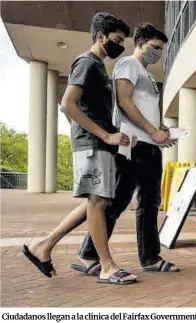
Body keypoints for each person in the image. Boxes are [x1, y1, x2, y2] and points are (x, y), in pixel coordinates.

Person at [22, 12, 138, 285]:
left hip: (98, 143)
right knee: (97, 203)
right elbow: (67, 104)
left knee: (96, 203)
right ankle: (107, 266)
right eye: (117, 40)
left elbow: (88, 109)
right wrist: (103, 136)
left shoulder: (97, 66)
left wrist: (115, 134)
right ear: (101, 36)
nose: (119, 46)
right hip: (93, 145)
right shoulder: (87, 63)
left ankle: (43, 247)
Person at [75, 23, 180, 274]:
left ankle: (149, 257)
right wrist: (152, 132)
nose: (157, 53)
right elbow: (123, 101)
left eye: (161, 50)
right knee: (120, 200)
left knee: (150, 202)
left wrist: (161, 129)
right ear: (140, 43)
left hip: (149, 145)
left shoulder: (147, 75)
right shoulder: (128, 64)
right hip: (134, 145)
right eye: (154, 47)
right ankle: (89, 253)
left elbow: (143, 107)